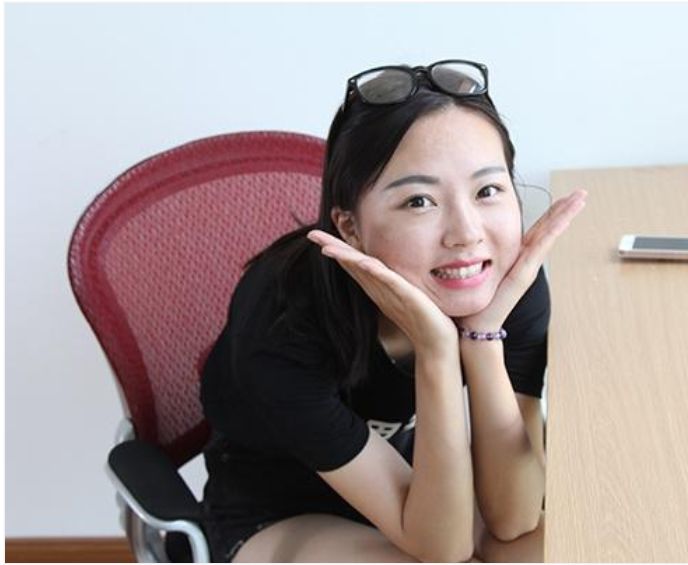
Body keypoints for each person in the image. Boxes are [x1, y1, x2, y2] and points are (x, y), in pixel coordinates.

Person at [199, 59, 587, 562]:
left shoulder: (499, 281)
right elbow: (442, 551)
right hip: (283, 508)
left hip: (421, 476)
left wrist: (484, 337)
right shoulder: (286, 319)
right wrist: (436, 349)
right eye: (419, 201)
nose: (466, 234)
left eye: (487, 190)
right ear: (350, 227)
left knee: (573, 548)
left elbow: (514, 518)